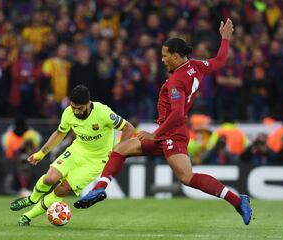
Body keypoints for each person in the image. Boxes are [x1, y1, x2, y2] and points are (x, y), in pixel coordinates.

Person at [75, 18, 253, 225]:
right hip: (168, 132)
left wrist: (154, 134)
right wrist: (225, 39)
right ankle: (98, 190)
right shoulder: (196, 66)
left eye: (165, 55)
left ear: (176, 56)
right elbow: (220, 61)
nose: (162, 59)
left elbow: (177, 114)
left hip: (172, 134)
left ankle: (238, 200)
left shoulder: (176, 81)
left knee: (187, 177)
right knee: (121, 149)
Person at [9, 85, 134, 226]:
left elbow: (128, 128)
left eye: (79, 108)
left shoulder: (103, 113)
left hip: (96, 160)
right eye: (73, 106)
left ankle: (27, 216)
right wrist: (41, 153)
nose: (75, 111)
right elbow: (60, 133)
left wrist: (117, 151)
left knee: (63, 188)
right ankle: (32, 199)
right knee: (50, 178)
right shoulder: (68, 112)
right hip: (77, 150)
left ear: (88, 103)